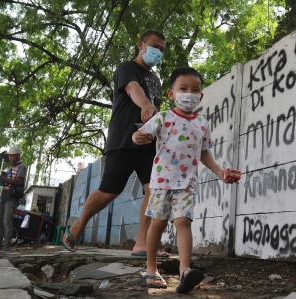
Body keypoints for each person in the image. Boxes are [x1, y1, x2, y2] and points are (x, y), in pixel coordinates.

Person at [62, 30, 169, 258]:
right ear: (141, 45)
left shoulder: (157, 80)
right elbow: (133, 89)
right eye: (154, 46)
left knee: (155, 190)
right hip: (122, 140)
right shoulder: (126, 68)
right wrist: (145, 105)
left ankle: (143, 243)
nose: (158, 52)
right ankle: (80, 222)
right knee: (109, 191)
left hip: (149, 145)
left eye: (162, 49)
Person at [133, 66, 239, 292]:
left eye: (195, 90)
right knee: (158, 224)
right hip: (161, 182)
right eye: (183, 88)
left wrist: (220, 172)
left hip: (187, 184)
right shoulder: (163, 117)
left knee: (183, 222)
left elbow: (203, 154)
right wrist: (136, 136)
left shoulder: (202, 123)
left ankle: (185, 270)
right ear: (172, 94)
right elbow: (142, 133)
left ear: (200, 96)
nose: (189, 93)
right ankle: (151, 268)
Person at [0, 145, 27, 251]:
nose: (10, 157)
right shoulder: (11, 167)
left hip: (12, 197)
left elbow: (17, 181)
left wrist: (1, 177)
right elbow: (6, 182)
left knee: (7, 222)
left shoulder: (21, 166)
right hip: (5, 195)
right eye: (9, 156)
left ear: (18, 155)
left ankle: (6, 246)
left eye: (12, 155)